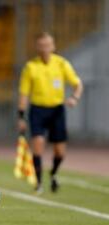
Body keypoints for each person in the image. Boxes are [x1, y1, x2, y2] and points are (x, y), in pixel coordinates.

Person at [17, 32, 83, 194]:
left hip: (57, 110)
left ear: (53, 46)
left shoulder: (61, 64)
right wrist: (21, 116)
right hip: (38, 110)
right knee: (38, 145)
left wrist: (74, 97)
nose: (45, 48)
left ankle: (53, 173)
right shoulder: (31, 67)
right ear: (37, 47)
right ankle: (38, 183)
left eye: (48, 45)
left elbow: (77, 83)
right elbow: (24, 94)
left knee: (60, 152)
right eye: (42, 45)